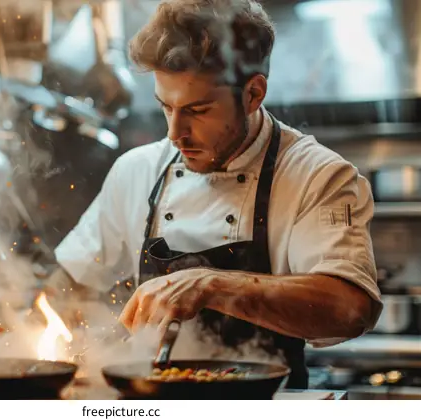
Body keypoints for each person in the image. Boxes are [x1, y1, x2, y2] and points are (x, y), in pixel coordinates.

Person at [46, 0, 382, 389]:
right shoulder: (136, 170)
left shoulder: (316, 175)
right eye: (165, 107)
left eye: (198, 110)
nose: (175, 132)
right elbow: (69, 284)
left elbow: (349, 308)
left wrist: (210, 285)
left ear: (253, 93)